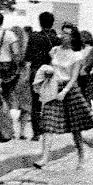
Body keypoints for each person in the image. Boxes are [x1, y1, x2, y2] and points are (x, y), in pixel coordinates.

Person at [34, 30, 93, 167]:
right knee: (48, 124)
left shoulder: (76, 55)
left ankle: (81, 156)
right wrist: (48, 73)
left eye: (67, 34)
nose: (63, 36)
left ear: (73, 37)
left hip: (69, 90)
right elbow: (53, 68)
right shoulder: (55, 50)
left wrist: (65, 91)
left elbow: (74, 77)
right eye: (63, 33)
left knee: (75, 127)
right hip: (54, 88)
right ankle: (44, 158)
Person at [21, 11, 61, 140]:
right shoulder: (56, 39)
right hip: (51, 72)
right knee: (50, 101)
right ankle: (48, 129)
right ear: (52, 23)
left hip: (36, 71)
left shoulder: (33, 37)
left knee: (35, 102)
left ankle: (36, 132)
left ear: (40, 22)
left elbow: (27, 57)